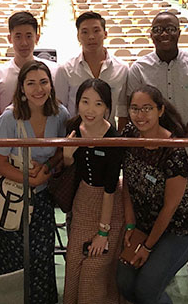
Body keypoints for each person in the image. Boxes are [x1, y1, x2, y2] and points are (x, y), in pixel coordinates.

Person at [126, 11, 188, 296]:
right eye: (158, 29)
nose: (164, 34)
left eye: (170, 28)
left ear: (179, 32)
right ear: (150, 34)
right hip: (151, 158)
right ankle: (161, 267)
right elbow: (132, 114)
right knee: (155, 212)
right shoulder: (138, 68)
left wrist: (179, 144)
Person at [0, 61, 68, 304]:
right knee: (11, 257)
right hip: (11, 198)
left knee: (41, 256)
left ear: (51, 86)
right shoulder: (9, 118)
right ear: (22, 89)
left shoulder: (60, 114)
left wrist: (47, 169)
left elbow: (61, 151)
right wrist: (29, 180)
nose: (38, 89)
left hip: (42, 199)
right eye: (31, 83)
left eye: (43, 82)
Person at [116, 86, 188, 304]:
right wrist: (130, 225)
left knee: (146, 288)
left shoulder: (173, 151)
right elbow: (127, 182)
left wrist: (147, 247)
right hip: (143, 223)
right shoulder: (129, 135)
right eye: (135, 109)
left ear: (160, 111)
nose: (140, 115)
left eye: (147, 109)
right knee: (124, 282)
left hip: (179, 228)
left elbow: (169, 208)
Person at [62, 78, 124, 304]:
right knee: (74, 262)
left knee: (93, 270)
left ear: (107, 107)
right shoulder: (72, 128)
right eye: (85, 102)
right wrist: (67, 156)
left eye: (98, 104)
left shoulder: (114, 139)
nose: (90, 110)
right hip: (82, 202)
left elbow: (110, 189)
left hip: (108, 207)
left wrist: (103, 233)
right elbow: (69, 169)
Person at [55, 11, 129, 129]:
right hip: (75, 135)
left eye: (96, 31)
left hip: (108, 136)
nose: (91, 37)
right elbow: (60, 108)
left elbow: (123, 110)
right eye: (85, 32)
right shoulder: (65, 69)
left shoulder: (122, 69)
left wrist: (120, 141)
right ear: (78, 36)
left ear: (105, 34)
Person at [0, 11, 55, 118]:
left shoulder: (53, 71)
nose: (24, 43)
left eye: (29, 36)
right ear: (10, 38)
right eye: (18, 37)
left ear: (37, 38)